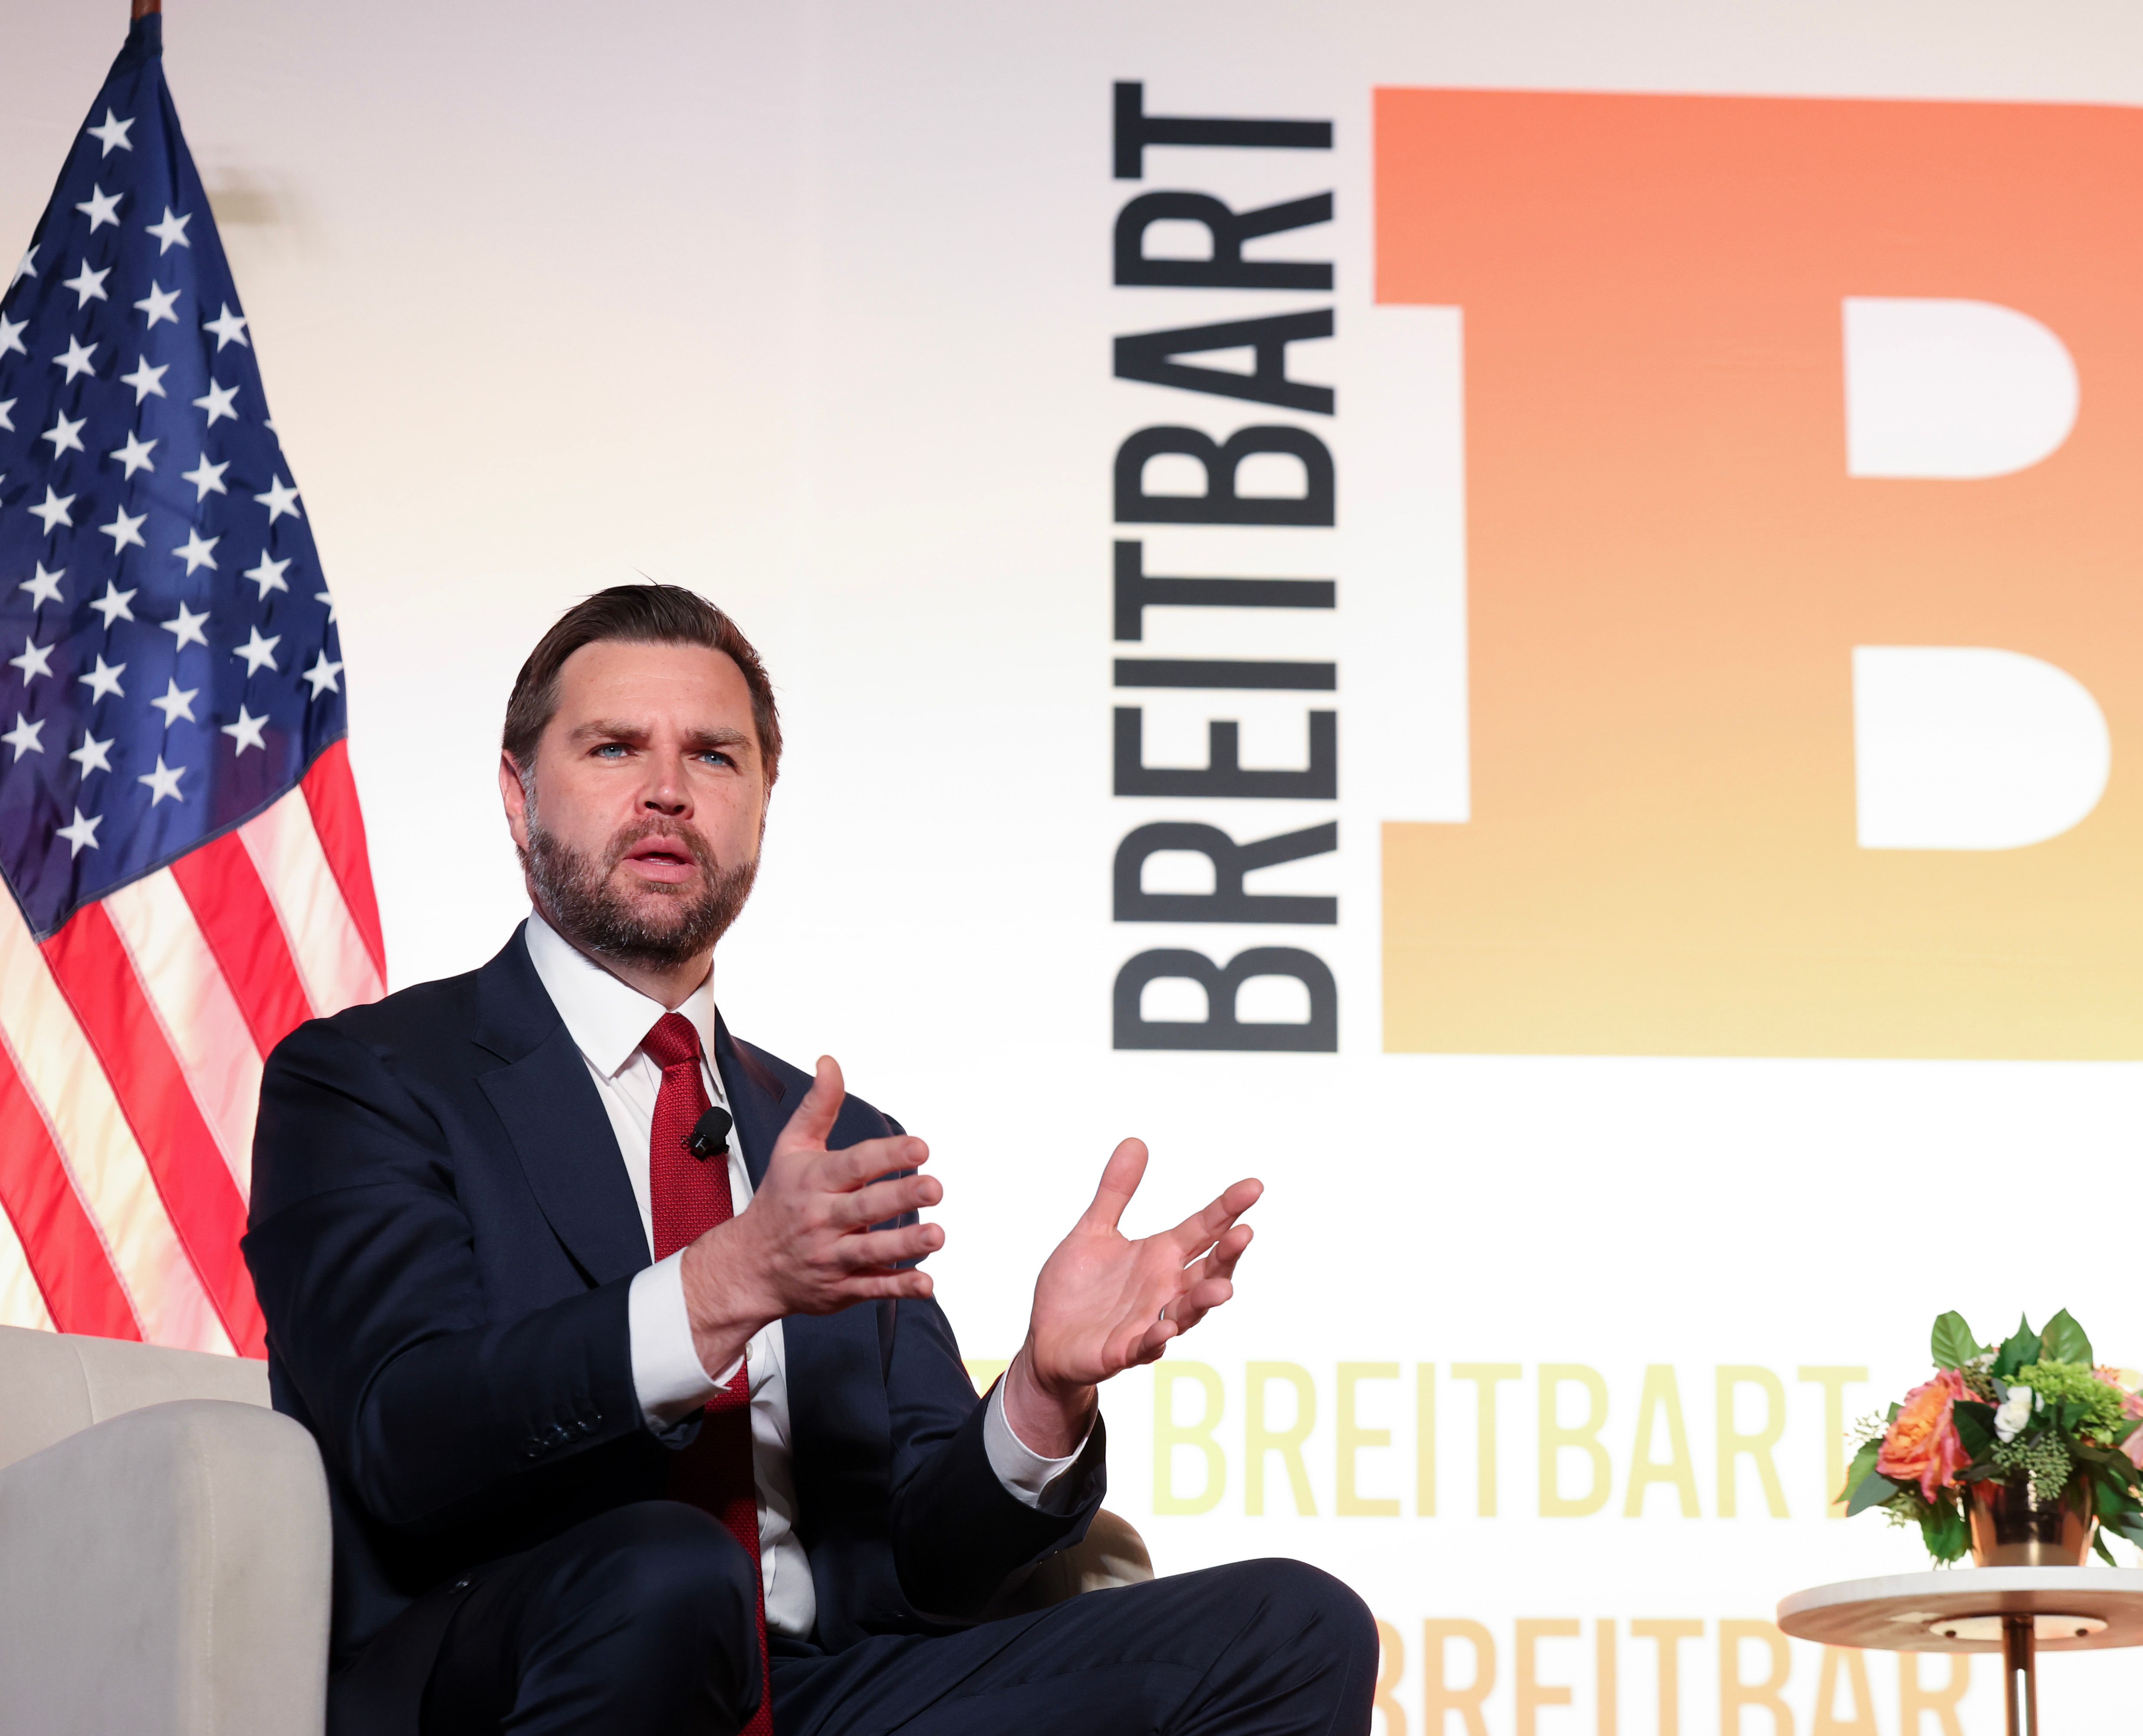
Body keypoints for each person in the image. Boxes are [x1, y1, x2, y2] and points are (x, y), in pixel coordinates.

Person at [244, 585, 1376, 1736]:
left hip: (815, 1695)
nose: (668, 791)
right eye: (615, 747)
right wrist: (717, 1290)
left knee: (1296, 1629)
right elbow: (404, 1437)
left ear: (763, 801)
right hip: (522, 1679)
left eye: (714, 756)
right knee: (670, 1575)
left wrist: (1042, 1394)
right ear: (516, 790)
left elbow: (924, 1568)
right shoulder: (368, 1081)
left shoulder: (831, 1140)